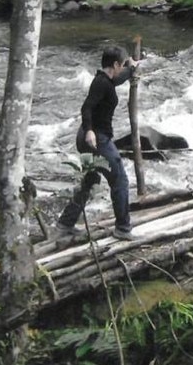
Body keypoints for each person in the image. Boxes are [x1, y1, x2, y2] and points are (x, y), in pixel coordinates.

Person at [56, 46, 139, 241]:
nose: (124, 66)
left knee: (91, 180)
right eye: (123, 63)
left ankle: (65, 223)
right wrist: (91, 131)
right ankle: (123, 228)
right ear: (116, 64)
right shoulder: (102, 84)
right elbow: (86, 108)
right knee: (120, 180)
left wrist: (132, 69)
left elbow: (117, 79)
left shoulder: (104, 79)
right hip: (96, 139)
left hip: (85, 137)